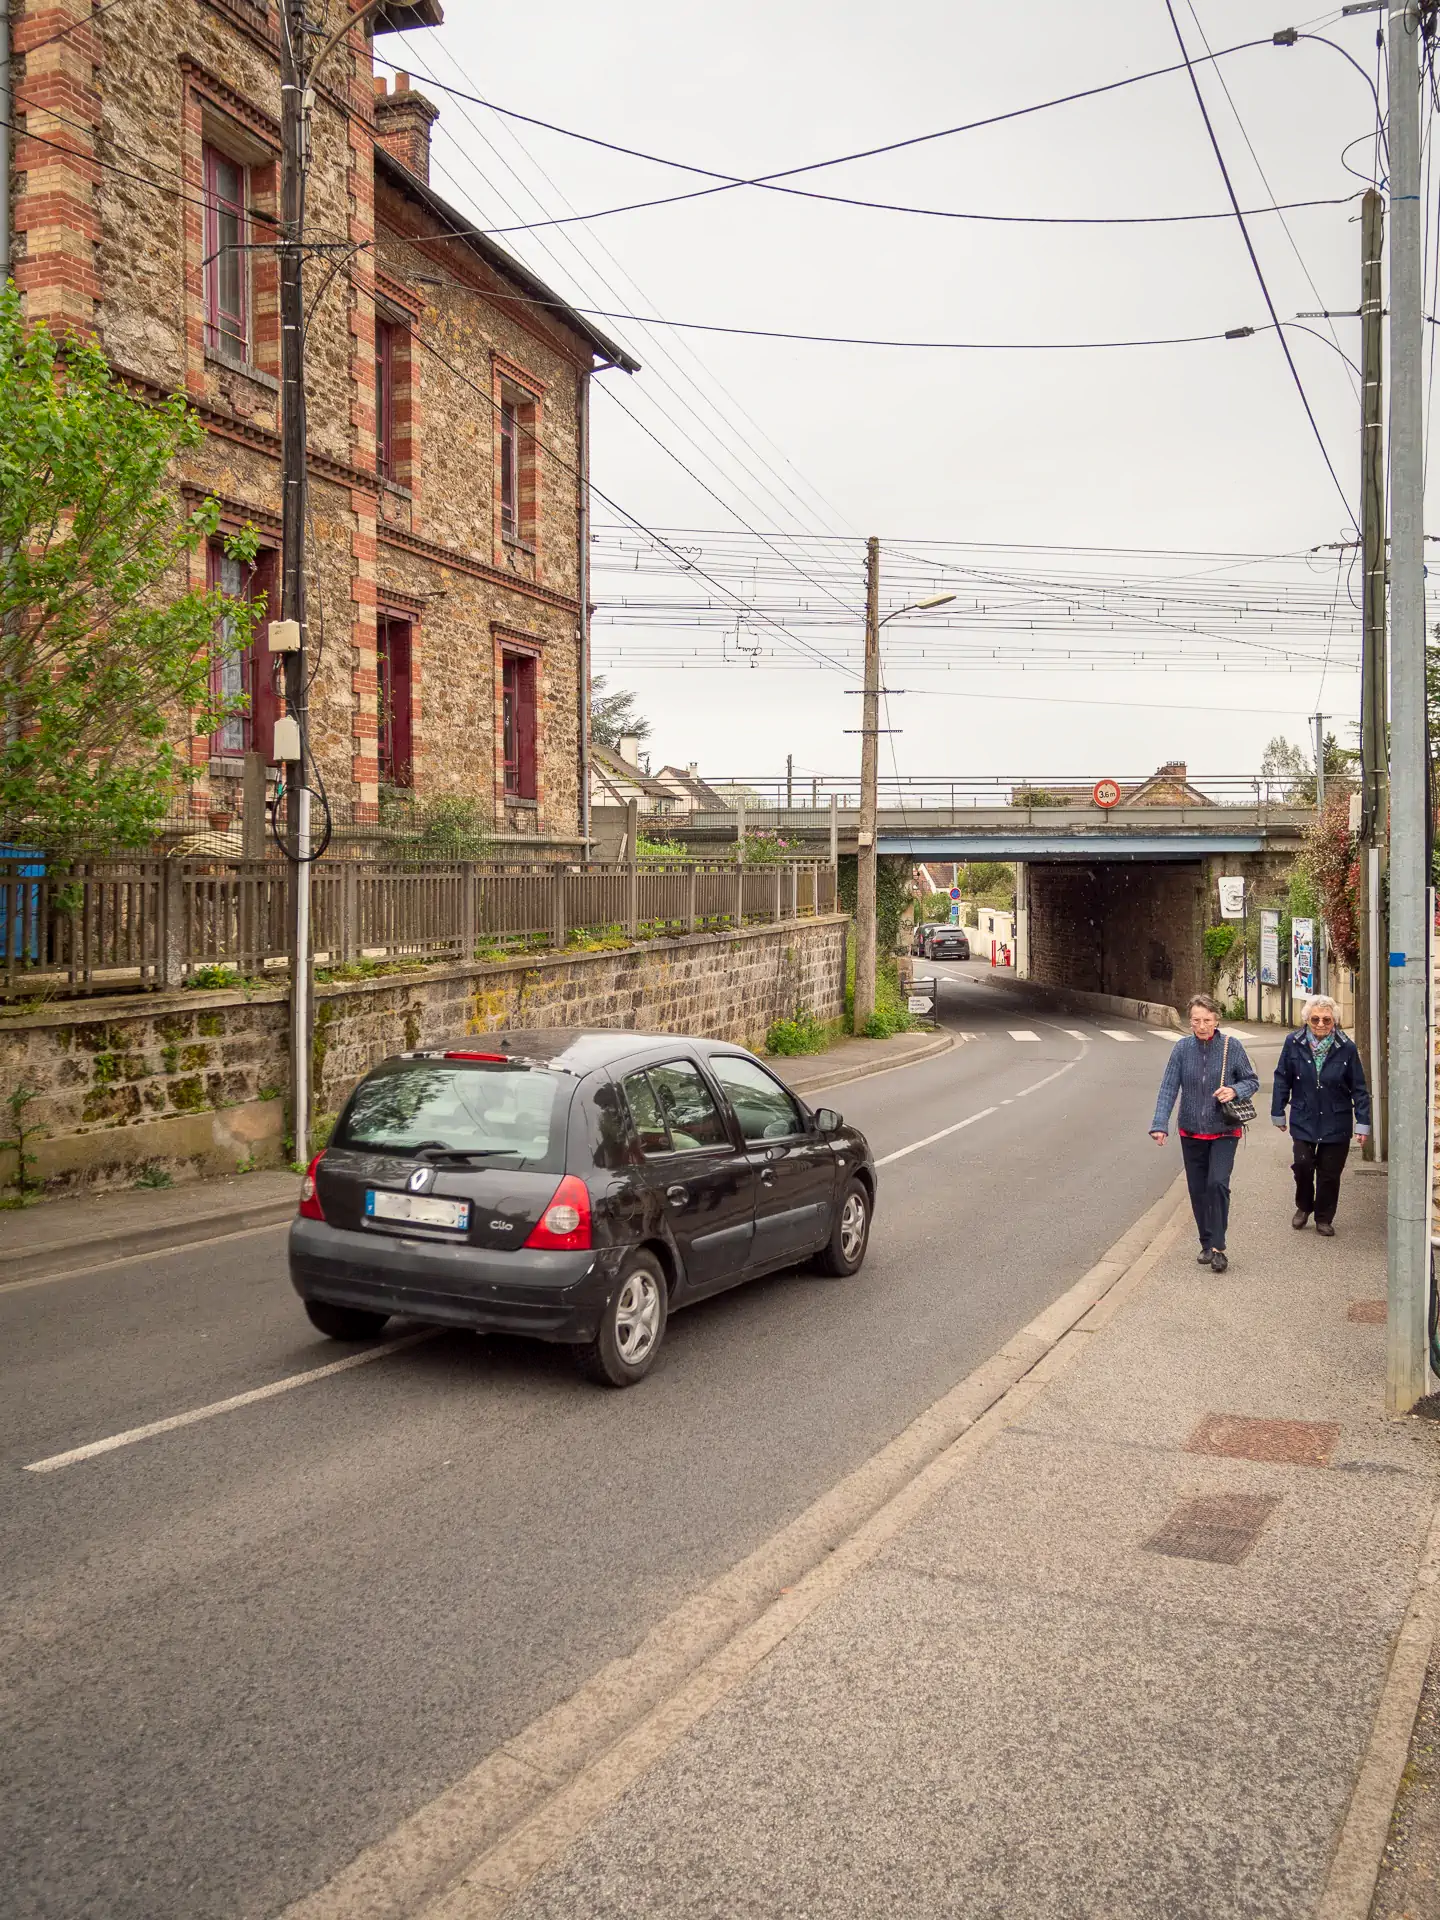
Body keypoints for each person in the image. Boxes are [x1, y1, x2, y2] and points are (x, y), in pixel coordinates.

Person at [1150, 992, 1260, 1273]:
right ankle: (1205, 1242)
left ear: (1217, 1020)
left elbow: (1251, 1080)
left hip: (1224, 1130)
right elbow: (1168, 1087)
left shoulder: (1231, 1047)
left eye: (1207, 1020)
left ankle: (1219, 1247)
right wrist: (1160, 1124)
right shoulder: (1182, 1049)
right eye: (1196, 1020)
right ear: (1190, 1021)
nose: (1201, 1026)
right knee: (1198, 1190)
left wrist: (1234, 1090)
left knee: (1217, 1184)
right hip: (1191, 1131)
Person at [1271, 994, 1371, 1236]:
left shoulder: (1346, 1047)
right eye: (1315, 1019)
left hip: (1336, 1119)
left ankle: (1324, 1217)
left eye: (1327, 1019)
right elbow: (1282, 1077)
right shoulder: (1293, 1042)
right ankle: (1304, 1206)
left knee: (1329, 1172)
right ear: (1307, 1020)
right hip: (1303, 1115)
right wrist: (1278, 1111)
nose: (1320, 1024)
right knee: (1303, 1164)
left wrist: (1363, 1123)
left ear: (1334, 1021)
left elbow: (1359, 1087)